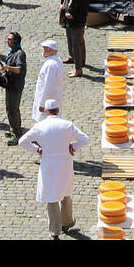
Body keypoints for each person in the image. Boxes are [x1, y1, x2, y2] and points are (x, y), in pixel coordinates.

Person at [18, 99, 92, 238]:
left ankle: (55, 231)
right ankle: (67, 221)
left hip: (48, 164)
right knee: (65, 193)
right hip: (64, 162)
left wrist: (37, 149)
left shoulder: (40, 126)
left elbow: (22, 141)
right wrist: (73, 146)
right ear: (58, 110)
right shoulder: (67, 125)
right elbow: (85, 139)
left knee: (52, 198)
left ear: (46, 112)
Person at [0, 31, 28, 144]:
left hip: (16, 86)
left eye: (10, 39)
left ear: (16, 41)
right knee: (10, 108)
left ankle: (16, 134)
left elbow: (19, 69)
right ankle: (15, 129)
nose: (7, 40)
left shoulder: (20, 54)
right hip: (10, 84)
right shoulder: (12, 52)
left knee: (12, 109)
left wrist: (7, 67)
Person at [59, 0, 89, 77]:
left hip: (78, 26)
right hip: (69, 25)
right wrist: (63, 10)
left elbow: (83, 14)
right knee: (72, 45)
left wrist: (74, 17)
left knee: (76, 47)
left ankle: (78, 69)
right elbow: (66, 7)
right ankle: (76, 65)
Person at [32, 38, 64, 121]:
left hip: (48, 102)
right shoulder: (56, 61)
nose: (42, 50)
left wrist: (42, 104)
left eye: (44, 48)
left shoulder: (51, 65)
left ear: (48, 49)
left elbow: (48, 85)